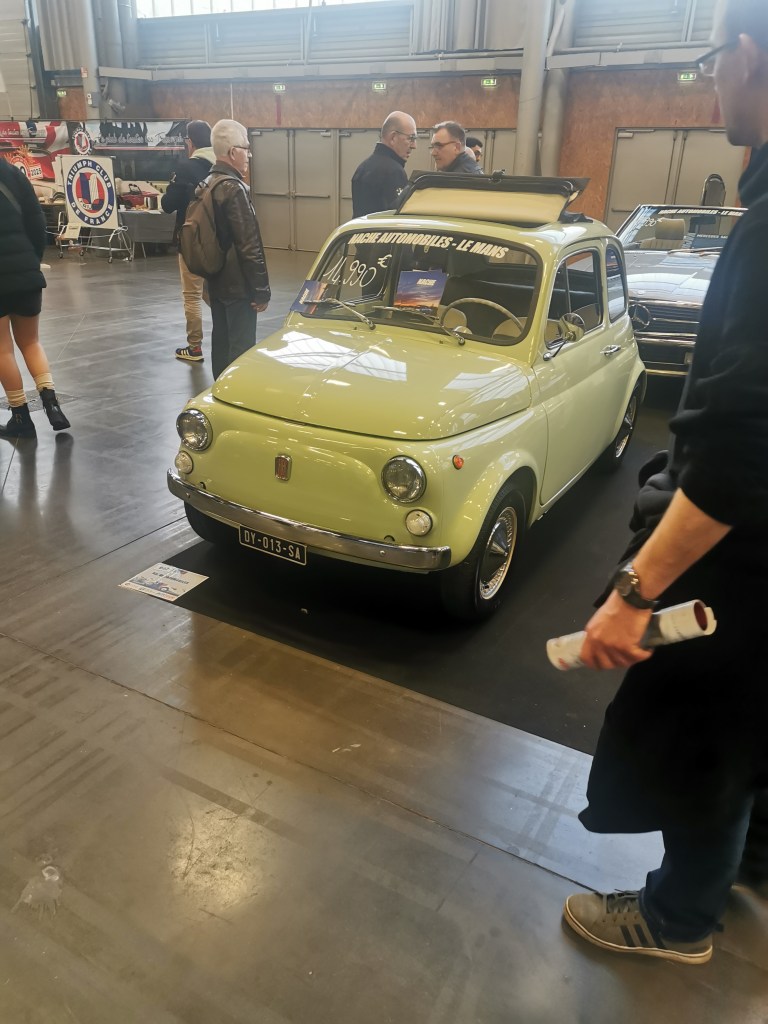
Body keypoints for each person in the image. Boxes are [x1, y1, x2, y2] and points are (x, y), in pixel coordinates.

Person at [562, 0, 768, 966]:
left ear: (745, 55)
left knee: (705, 741)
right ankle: (747, 866)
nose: (710, 79)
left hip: (746, 567)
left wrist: (634, 592)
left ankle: (680, 918)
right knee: (750, 736)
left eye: (712, 59)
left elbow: (741, 453)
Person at [0, 158, 69, 440]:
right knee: (31, 342)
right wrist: (32, 260)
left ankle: (20, 416)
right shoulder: (12, 173)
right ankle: (52, 405)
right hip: (26, 273)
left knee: (2, 349)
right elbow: (37, 221)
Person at [205, 119, 270, 380]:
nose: (248, 156)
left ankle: (218, 391)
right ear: (233, 152)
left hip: (215, 281)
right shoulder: (234, 189)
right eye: (246, 149)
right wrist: (261, 290)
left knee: (221, 342)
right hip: (239, 286)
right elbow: (249, 246)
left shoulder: (207, 184)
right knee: (242, 349)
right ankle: (237, 394)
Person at [161, 119, 215, 363]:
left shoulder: (185, 167)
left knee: (192, 295)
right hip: (217, 241)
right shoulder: (220, 166)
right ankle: (226, 333)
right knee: (213, 291)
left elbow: (168, 204)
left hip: (191, 239)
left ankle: (194, 348)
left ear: (190, 142)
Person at [351, 111, 417, 217]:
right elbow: (397, 218)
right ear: (393, 137)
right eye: (411, 138)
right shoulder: (394, 172)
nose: (414, 146)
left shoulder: (362, 168)